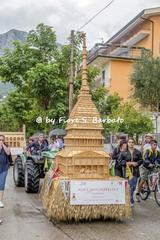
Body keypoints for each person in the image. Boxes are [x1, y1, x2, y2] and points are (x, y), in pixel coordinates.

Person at [118, 138, 143, 206]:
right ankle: (130, 200)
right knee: (129, 187)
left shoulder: (138, 152)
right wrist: (126, 163)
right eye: (129, 142)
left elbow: (141, 160)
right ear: (127, 143)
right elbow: (119, 161)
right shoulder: (123, 152)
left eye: (132, 142)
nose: (131, 143)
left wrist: (137, 163)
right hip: (127, 172)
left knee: (133, 187)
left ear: (134, 143)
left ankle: (130, 199)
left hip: (135, 172)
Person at [0, 135, 11, 224]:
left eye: (2, 140)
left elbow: (8, 153)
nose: (1, 141)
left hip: (4, 168)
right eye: (0, 140)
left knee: (2, 184)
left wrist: (3, 145)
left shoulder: (6, 146)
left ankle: (0, 201)